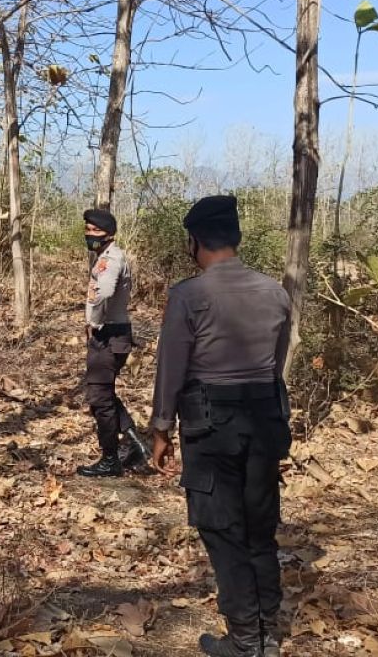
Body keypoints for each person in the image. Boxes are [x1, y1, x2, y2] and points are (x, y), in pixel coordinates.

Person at [150, 195, 291, 657]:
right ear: (237, 238)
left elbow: (171, 368)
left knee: (223, 530)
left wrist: (160, 430)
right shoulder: (275, 292)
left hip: (212, 428)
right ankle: (268, 630)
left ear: (194, 241)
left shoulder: (188, 296)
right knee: (259, 528)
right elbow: (277, 366)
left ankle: (245, 640)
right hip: (265, 421)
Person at [77, 208, 151, 478]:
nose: (89, 235)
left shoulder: (111, 259)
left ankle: (110, 459)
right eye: (87, 230)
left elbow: (104, 292)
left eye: (94, 231)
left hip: (109, 334)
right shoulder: (105, 257)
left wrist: (93, 322)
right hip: (111, 333)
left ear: (108, 233)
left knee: (99, 398)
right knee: (103, 393)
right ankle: (135, 443)